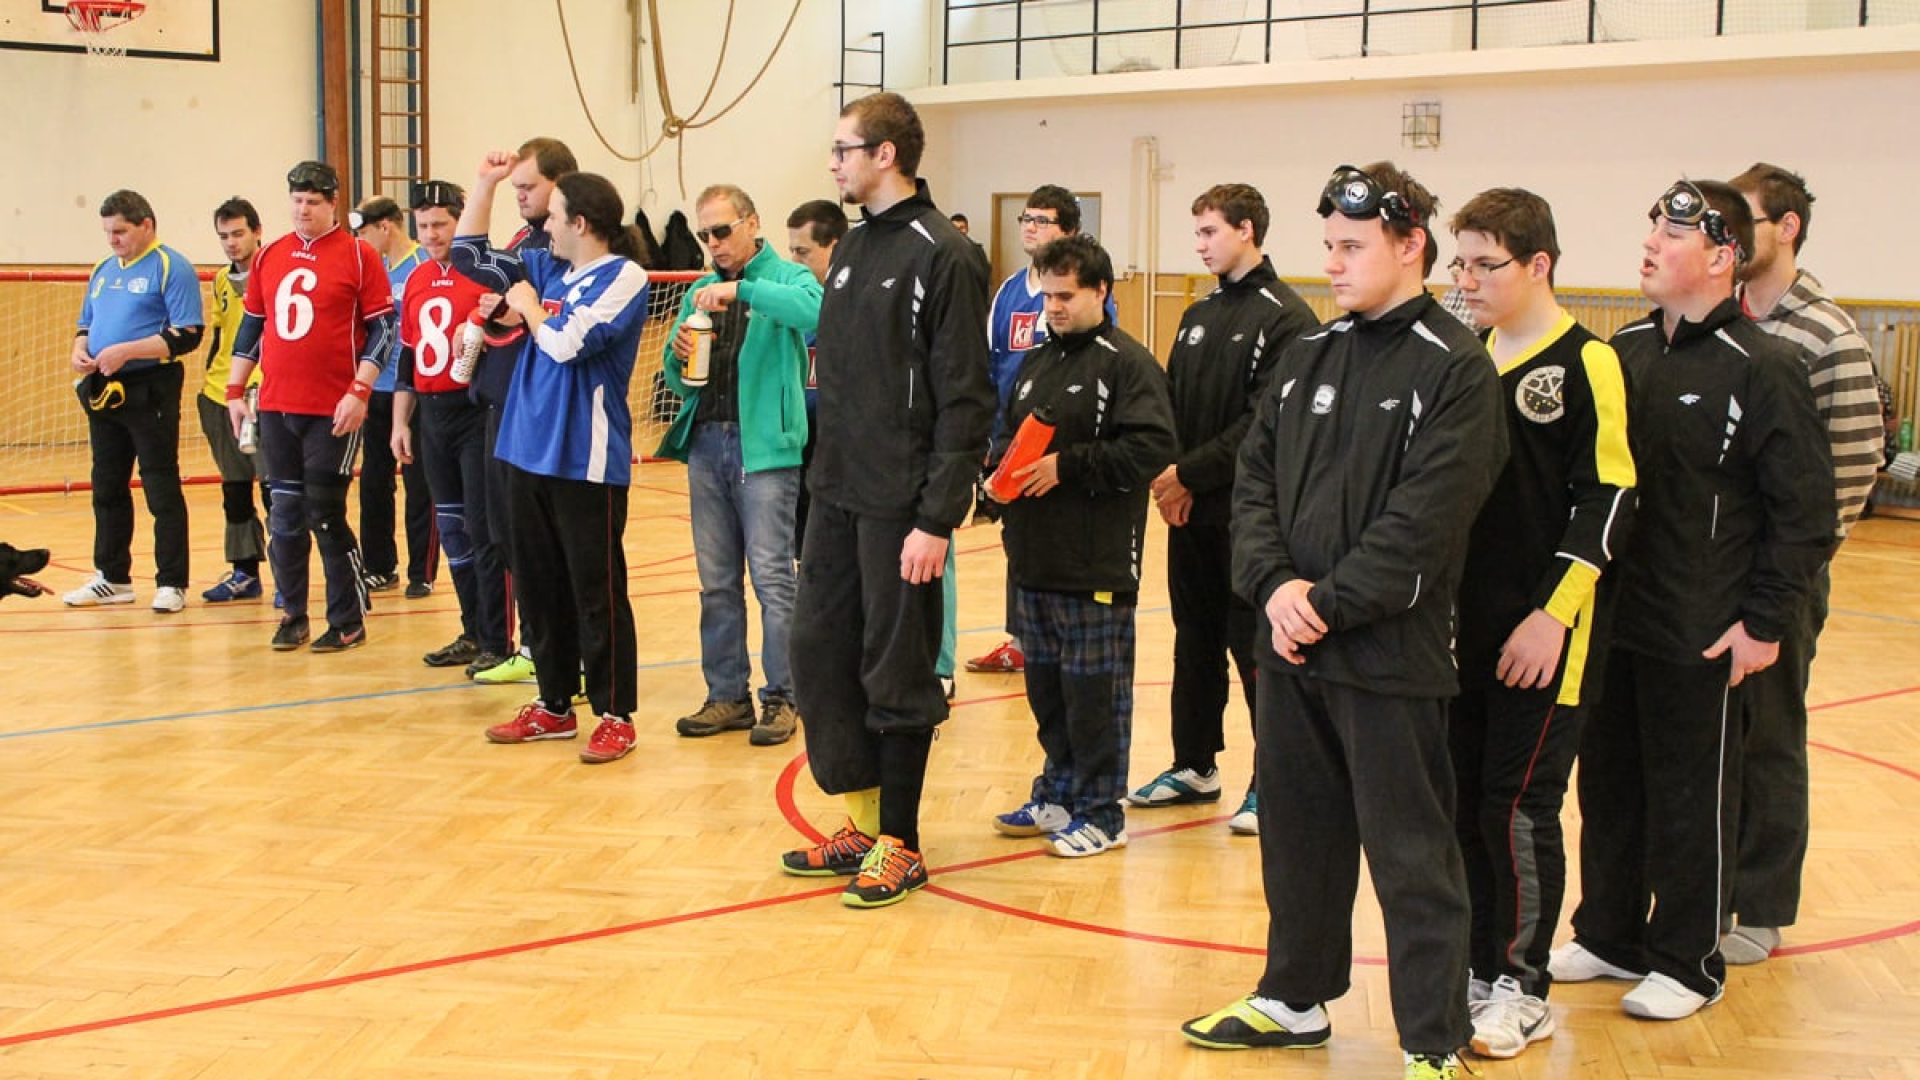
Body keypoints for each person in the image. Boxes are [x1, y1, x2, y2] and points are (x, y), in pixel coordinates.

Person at [1184, 163, 1504, 1080]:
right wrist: (1274, 585)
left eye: (1352, 247)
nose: (1334, 263)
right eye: (1328, 246)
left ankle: (1434, 1039)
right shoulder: (1310, 356)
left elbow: (1424, 526)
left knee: (1412, 856)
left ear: (1411, 247)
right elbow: (1255, 485)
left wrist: (1319, 605)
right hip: (1288, 650)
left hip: (1388, 657)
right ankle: (1294, 996)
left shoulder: (1455, 370)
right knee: (1297, 835)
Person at [1551, 179, 1833, 1021]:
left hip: (1704, 632)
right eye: (1650, 228)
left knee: (1692, 799)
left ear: (1721, 256)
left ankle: (1687, 956)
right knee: (1609, 789)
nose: (1650, 243)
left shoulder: (1769, 369)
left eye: (1672, 233)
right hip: (1616, 624)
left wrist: (1763, 623)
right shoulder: (1622, 353)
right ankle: (1608, 931)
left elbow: (1805, 516)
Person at [779, 92, 993, 908]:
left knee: (896, 671)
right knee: (820, 653)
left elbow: (965, 397)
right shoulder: (856, 248)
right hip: (835, 495)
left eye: (844, 150)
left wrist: (937, 516)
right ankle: (865, 826)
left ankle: (901, 843)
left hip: (904, 504)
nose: (833, 163)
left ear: (887, 155)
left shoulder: (946, 255)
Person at [1444, 189, 1637, 1060]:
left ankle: (1525, 988)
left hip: (1547, 637)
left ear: (1539, 266)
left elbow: (1609, 500)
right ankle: (1482, 967)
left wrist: (1550, 617)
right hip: (1463, 636)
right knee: (1464, 809)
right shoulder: (1468, 357)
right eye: (1460, 264)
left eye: (1486, 265)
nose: (1468, 280)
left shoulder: (1588, 362)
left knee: (1517, 810)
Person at [1720, 164, 1886, 965]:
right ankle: (1704, 888)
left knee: (1770, 738)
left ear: (1785, 228)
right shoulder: (1718, 320)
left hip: (1778, 583)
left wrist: (1789, 579)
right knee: (1709, 739)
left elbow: (1855, 468)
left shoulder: (1826, 335)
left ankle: (1760, 903)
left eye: (1742, 219)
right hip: (1705, 577)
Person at [1131, 182, 1316, 834]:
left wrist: (1188, 474)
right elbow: (1172, 408)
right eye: (1197, 233)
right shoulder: (1197, 314)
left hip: (1250, 519)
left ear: (1246, 230)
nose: (1200, 245)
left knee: (1256, 651)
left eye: (1210, 232)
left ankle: (1277, 782)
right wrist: (1170, 479)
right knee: (1195, 642)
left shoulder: (1287, 318)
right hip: (1189, 515)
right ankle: (1194, 764)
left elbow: (1263, 425)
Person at [452, 166, 650, 765]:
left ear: (580, 223)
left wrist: (530, 309)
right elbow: (467, 257)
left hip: (585, 461)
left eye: (553, 214)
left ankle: (615, 713)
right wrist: (483, 186)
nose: (543, 224)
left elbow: (568, 342)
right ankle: (554, 705)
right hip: (522, 449)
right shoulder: (545, 267)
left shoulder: (625, 276)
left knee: (596, 590)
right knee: (537, 585)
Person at [986, 233, 1176, 857]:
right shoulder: (1037, 362)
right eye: (1048, 295)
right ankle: (1060, 789)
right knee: (1047, 691)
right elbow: (1011, 438)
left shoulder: (1128, 365)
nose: (1055, 306)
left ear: (1101, 291)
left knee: (1096, 695)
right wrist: (995, 478)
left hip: (1095, 564)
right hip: (1034, 561)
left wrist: (1068, 467)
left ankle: (1102, 811)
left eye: (1068, 295)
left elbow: (1151, 448)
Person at [658, 184, 820, 747]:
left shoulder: (784, 277)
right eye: (704, 234)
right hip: (707, 442)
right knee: (716, 584)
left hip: (766, 451)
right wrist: (677, 360)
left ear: (752, 222)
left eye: (722, 231)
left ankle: (784, 697)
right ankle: (727, 694)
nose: (712, 243)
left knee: (774, 580)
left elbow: (815, 311)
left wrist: (743, 291)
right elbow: (677, 380)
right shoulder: (699, 290)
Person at [227, 161, 397, 652]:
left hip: (333, 408)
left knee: (324, 512)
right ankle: (293, 613)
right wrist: (235, 392)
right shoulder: (270, 257)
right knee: (284, 513)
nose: (303, 210)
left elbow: (384, 330)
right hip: (279, 405)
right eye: (297, 201)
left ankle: (347, 618)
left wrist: (360, 391)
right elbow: (252, 327)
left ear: (333, 203)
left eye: (313, 202)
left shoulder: (360, 256)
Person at [966, 185, 1115, 680]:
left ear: (1069, 230)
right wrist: (991, 441)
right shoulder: (1008, 290)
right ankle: (1022, 639)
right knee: (1018, 542)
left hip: (1065, 443)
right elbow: (989, 364)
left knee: (1064, 543)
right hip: (1013, 437)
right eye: (1025, 218)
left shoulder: (1088, 295)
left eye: (1043, 220)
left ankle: (1056, 639)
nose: (1030, 226)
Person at [467, 136, 580, 685]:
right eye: (514, 188)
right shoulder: (525, 239)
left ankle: (565, 657)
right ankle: (539, 647)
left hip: (543, 413)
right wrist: (499, 310)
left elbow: (555, 325)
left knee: (549, 544)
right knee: (506, 535)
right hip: (502, 401)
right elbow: (482, 269)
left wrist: (522, 307)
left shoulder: (567, 250)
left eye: (529, 187)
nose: (521, 196)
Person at [389, 180, 512, 672]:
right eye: (423, 226)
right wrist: (401, 422)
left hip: (475, 411)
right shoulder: (417, 279)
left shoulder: (489, 273)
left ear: (462, 220)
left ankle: (498, 639)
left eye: (441, 224)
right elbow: (409, 355)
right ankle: (471, 629)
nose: (433, 234)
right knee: (452, 527)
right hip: (431, 414)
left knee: (484, 530)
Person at [63, 189, 203, 614]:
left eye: (120, 231)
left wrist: (128, 350)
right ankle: (112, 576)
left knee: (160, 484)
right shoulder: (103, 269)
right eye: (107, 231)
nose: (112, 240)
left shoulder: (170, 266)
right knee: (106, 484)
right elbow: (86, 322)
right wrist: (80, 347)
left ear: (146, 225)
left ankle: (172, 582)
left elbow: (187, 334)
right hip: (105, 389)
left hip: (151, 387)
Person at [350, 194, 437, 599]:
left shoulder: (422, 265)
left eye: (364, 231)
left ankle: (422, 570)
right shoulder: (373, 267)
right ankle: (379, 566)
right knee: (373, 482)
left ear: (386, 227)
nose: (361, 240)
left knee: (420, 484)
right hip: (378, 391)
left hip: (416, 391)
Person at [197, 197, 272, 604]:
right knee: (235, 489)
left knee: (274, 488)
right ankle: (244, 572)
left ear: (257, 231)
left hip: (265, 394)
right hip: (220, 395)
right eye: (224, 236)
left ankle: (287, 574)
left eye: (238, 233)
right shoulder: (223, 280)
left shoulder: (277, 273)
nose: (231, 243)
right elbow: (221, 335)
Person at [785, 198, 848, 559]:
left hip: (844, 463)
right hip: (802, 457)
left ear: (834, 248)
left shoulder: (858, 306)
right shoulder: (795, 306)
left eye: (803, 252)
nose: (795, 262)